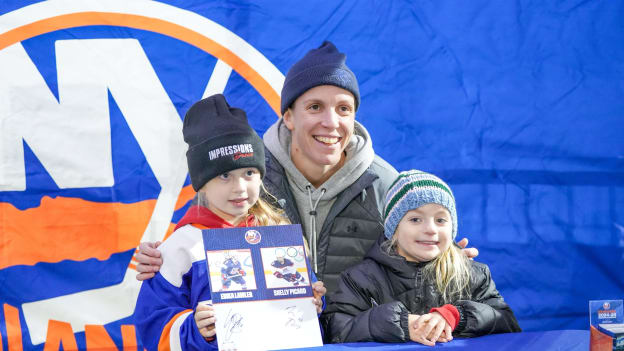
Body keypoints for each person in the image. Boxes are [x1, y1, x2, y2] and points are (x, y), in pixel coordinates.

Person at [135, 41, 478, 293]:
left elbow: (409, 263)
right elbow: (204, 229)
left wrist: (441, 258)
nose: (331, 122)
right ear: (288, 115)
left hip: (359, 340)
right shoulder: (250, 176)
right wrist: (162, 257)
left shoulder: (386, 184)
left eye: (344, 109)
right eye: (315, 106)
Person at [134, 94, 326, 350]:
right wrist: (195, 327)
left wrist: (312, 304)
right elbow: (152, 324)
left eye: (249, 173)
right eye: (225, 175)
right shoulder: (181, 246)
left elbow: (301, 320)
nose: (239, 188)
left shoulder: (276, 234)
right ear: (202, 185)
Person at [321, 171, 521, 346]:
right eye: (415, 219)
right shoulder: (361, 278)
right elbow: (337, 329)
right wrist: (402, 324)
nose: (431, 229)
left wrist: (457, 316)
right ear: (394, 228)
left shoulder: (472, 274)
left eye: (441, 220)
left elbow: (507, 322)